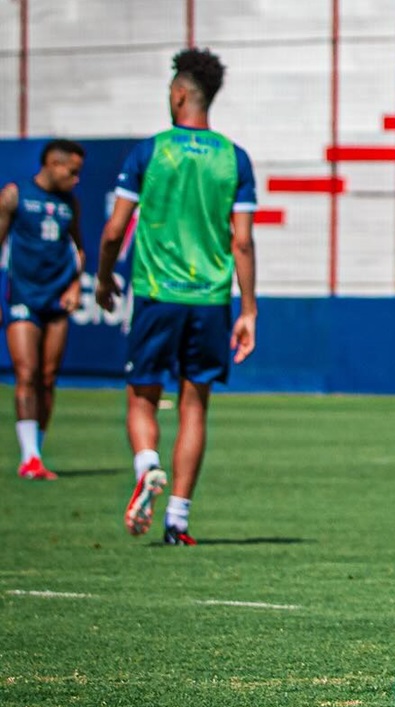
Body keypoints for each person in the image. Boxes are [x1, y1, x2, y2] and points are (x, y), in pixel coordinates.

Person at [95, 47, 258, 546]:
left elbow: (114, 230)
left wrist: (103, 279)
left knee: (142, 396)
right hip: (210, 298)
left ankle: (147, 464)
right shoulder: (234, 157)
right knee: (195, 404)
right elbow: (243, 240)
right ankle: (178, 520)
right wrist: (248, 309)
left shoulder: (150, 151)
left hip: (156, 293)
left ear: (180, 93)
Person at [0, 139, 86, 480]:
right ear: (52, 163)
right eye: (73, 171)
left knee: (48, 378)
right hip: (23, 295)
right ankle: (29, 456)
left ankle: (37, 452)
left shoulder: (69, 204)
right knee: (26, 373)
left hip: (56, 299)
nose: (77, 179)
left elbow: (79, 249)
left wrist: (76, 284)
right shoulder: (14, 196)